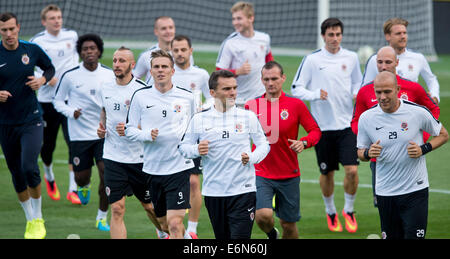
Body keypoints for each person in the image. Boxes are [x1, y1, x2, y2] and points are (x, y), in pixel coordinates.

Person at [179, 70, 270, 239]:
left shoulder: (247, 116)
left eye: (234, 88)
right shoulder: (199, 119)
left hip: (244, 191)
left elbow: (264, 145)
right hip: (214, 192)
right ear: (212, 93)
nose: (233, 92)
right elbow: (183, 148)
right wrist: (196, 150)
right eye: (227, 89)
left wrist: (252, 157)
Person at [291, 18, 362, 233]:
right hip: (322, 128)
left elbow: (358, 81)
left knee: (351, 171)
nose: (335, 38)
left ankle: (348, 210)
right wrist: (315, 95)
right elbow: (296, 88)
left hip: (347, 125)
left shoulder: (351, 57)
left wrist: (356, 92)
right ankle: (331, 211)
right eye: (330, 35)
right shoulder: (312, 59)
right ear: (323, 36)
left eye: (338, 34)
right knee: (328, 173)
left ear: (342, 35)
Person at [357, 71, 448, 239]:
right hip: (385, 192)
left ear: (397, 89)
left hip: (415, 190)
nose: (382, 97)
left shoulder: (417, 112)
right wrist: (369, 153)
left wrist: (423, 149)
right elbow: (360, 153)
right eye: (378, 92)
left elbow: (443, 134)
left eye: (387, 91)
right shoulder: (366, 118)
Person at [351, 46, 440, 207]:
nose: (383, 66)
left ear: (397, 62)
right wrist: (369, 140)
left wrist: (422, 138)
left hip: (410, 163)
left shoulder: (413, 87)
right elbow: (356, 122)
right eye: (379, 62)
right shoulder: (365, 91)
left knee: (412, 213)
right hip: (381, 162)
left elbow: (433, 110)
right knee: (385, 210)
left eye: (388, 62)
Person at [96, 46, 168, 239]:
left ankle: (164, 233)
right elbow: (104, 110)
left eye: (122, 61)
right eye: (115, 60)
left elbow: (153, 126)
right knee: (117, 209)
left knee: (150, 207)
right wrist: (101, 127)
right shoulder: (105, 87)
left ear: (132, 65)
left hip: (139, 160)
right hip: (113, 157)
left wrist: (131, 128)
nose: (117, 65)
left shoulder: (143, 91)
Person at [245, 61, 321, 239]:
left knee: (289, 225)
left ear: (283, 78)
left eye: (274, 78)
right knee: (262, 216)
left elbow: (315, 131)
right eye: (266, 79)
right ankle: (271, 234)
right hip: (261, 172)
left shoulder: (296, 104)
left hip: (289, 173)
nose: (270, 83)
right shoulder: (252, 106)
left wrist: (304, 142)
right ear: (262, 80)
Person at [125, 50, 196, 239]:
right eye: (156, 67)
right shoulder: (140, 96)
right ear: (151, 71)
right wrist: (146, 134)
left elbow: (196, 128)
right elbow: (129, 129)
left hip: (179, 168)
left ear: (172, 71)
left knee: (174, 224)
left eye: (165, 66)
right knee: (165, 225)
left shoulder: (187, 97)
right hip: (152, 169)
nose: (160, 70)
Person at [0, 12, 55, 239]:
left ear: (18, 27)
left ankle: (39, 217)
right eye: (4, 30)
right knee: (16, 173)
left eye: (12, 29)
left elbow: (50, 69)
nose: (9, 34)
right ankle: (29, 219)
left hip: (32, 119)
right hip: (5, 123)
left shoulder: (31, 49)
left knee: (29, 166)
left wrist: (42, 80)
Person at [53, 33, 113, 231]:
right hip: (79, 136)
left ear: (99, 51)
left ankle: (101, 217)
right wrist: (71, 112)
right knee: (81, 177)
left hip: (102, 135)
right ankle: (83, 185)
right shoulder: (70, 76)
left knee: (106, 174)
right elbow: (57, 101)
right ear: (80, 52)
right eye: (85, 49)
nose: (89, 52)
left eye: (92, 48)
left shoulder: (108, 74)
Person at [30, 4, 80, 204]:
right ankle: (49, 176)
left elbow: (76, 60)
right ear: (44, 21)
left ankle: (72, 188)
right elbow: (28, 68)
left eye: (59, 17)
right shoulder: (37, 41)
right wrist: (43, 78)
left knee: (73, 144)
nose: (57, 20)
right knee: (48, 146)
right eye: (52, 18)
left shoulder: (72, 36)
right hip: (47, 101)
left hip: (69, 100)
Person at [170, 34, 211, 237]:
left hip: (193, 134)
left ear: (190, 51)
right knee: (167, 181)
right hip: (169, 136)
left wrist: (205, 107)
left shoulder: (201, 75)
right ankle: (165, 229)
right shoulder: (165, 73)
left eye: (183, 49)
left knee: (194, 182)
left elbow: (213, 98)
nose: (179, 53)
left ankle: (192, 229)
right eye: (175, 50)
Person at [361, 18, 440, 104]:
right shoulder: (375, 60)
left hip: (410, 111)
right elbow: (365, 89)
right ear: (388, 36)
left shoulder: (418, 58)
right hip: (383, 111)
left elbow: (431, 79)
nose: (403, 36)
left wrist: (434, 95)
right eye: (398, 33)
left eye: (404, 33)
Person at [215, 1, 273, 106]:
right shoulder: (229, 43)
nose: (235, 22)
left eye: (239, 18)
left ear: (251, 18)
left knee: (270, 123)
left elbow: (270, 61)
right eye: (233, 19)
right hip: (237, 101)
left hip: (262, 98)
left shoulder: (264, 38)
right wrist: (237, 71)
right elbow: (218, 73)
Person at [133, 16, 193, 85]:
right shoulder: (146, 56)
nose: (168, 31)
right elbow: (134, 79)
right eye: (163, 28)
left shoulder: (184, 55)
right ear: (156, 31)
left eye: (171, 28)